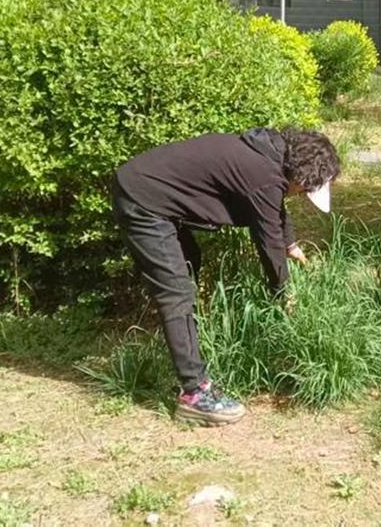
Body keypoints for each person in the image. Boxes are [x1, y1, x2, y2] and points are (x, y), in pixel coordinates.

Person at [112, 128, 339, 426]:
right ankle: (195, 394)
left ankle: (181, 344)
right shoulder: (264, 174)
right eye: (303, 189)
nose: (299, 194)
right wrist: (283, 294)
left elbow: (273, 209)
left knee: (188, 264)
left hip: (146, 187)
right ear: (302, 174)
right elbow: (267, 239)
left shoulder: (268, 154)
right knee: (177, 292)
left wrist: (291, 244)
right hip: (144, 201)